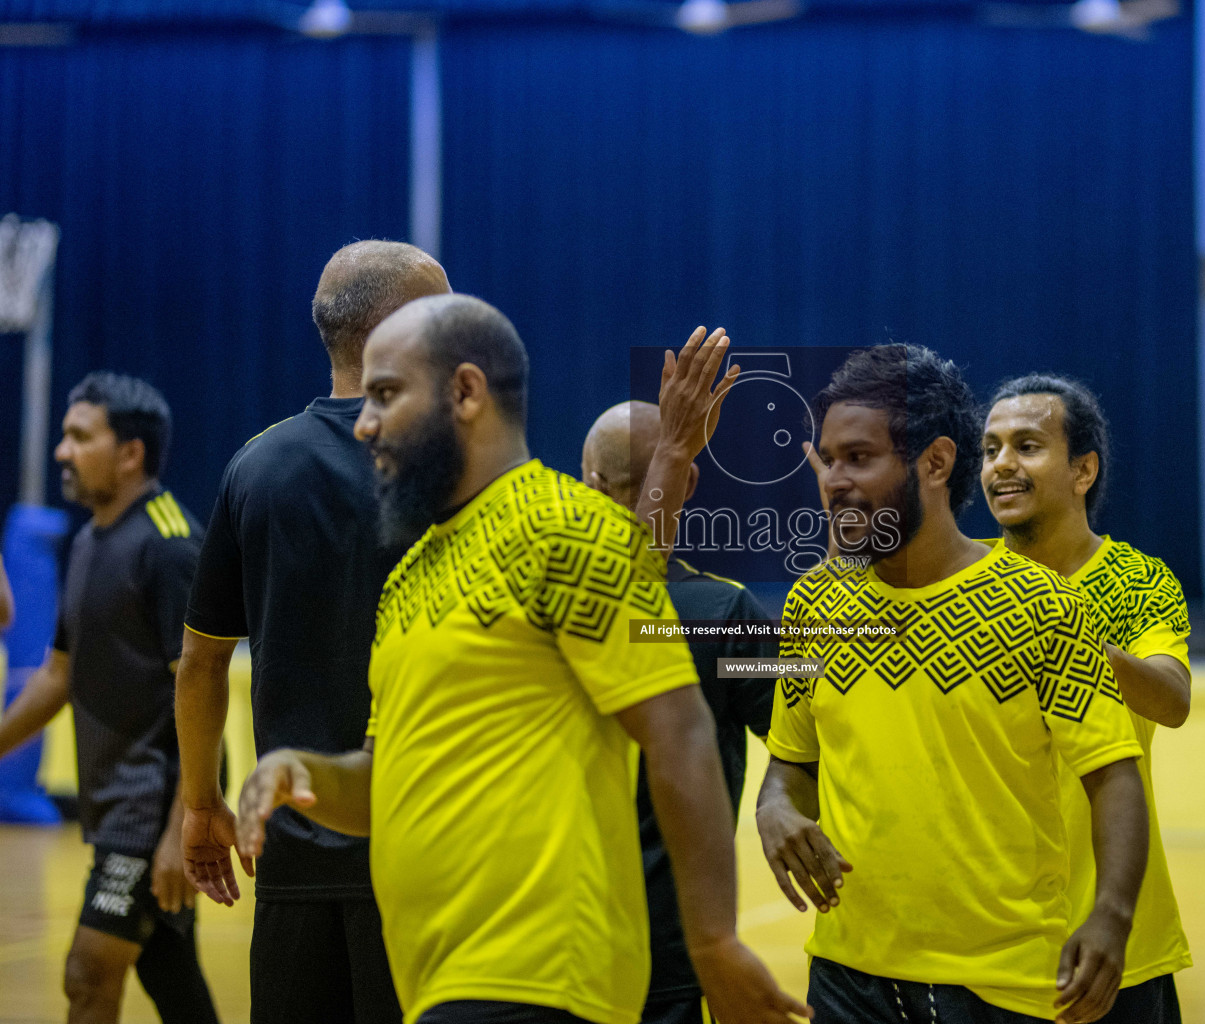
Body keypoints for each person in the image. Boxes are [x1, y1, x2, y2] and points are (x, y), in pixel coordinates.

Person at [232, 294, 807, 1024]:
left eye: (384, 394)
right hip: (439, 984)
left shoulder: (567, 531)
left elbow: (682, 731)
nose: (365, 422)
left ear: (466, 392)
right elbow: (383, 784)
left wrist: (714, 943)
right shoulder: (414, 573)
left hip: (540, 980)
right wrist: (300, 771)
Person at [751, 345, 1148, 1024]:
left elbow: (1114, 777)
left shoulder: (1042, 604)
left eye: (859, 458)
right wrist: (775, 811)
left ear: (934, 462)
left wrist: (1111, 917)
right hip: (847, 980)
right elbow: (789, 767)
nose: (834, 480)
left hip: (1005, 988)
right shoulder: (815, 605)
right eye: (828, 459)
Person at [176, 240, 450, 1024]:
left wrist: (201, 804)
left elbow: (200, 661)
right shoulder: (455, 468)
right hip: (425, 855)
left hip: (291, 856)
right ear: (400, 330)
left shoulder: (254, 468)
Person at [0, 372, 219, 1024]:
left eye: (79, 436)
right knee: (171, 978)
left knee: (88, 973)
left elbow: (201, 687)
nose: (61, 451)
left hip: (152, 813)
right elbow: (56, 678)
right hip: (113, 805)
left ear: (130, 452)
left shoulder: (171, 543)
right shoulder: (89, 541)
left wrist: (185, 828)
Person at [981, 375, 1193, 1024]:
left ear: (1083, 470)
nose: (1001, 466)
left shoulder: (1138, 581)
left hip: (1117, 941)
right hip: (986, 945)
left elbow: (1172, 699)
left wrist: (1066, 636)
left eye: (1026, 445)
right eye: (989, 450)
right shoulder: (967, 580)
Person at [582, 400, 775, 1024]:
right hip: (675, 947)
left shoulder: (544, 614)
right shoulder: (722, 615)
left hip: (552, 944)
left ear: (586, 483)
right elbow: (802, 727)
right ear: (688, 483)